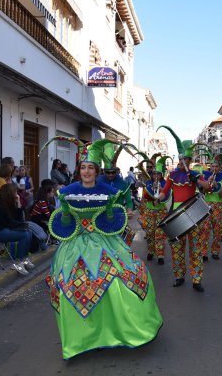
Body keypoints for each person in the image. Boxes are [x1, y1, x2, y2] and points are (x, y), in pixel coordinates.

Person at [41, 137, 162, 359]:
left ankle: (121, 331)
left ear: (97, 170)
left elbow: (112, 222)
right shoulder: (66, 192)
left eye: (91, 168)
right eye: (83, 167)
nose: (87, 171)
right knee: (70, 284)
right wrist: (66, 212)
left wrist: (114, 211)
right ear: (79, 170)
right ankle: (83, 339)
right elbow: (63, 225)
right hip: (75, 245)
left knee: (123, 280)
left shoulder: (109, 191)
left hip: (106, 243)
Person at [157, 126, 211, 292]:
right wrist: (157, 197)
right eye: (180, 159)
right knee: (177, 249)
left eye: (185, 160)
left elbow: (207, 187)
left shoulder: (195, 173)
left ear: (189, 160)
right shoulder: (172, 175)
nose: (182, 162)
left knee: (195, 249)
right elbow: (164, 192)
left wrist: (196, 180)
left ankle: (196, 279)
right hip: (176, 215)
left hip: (194, 214)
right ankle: (179, 276)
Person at [0, 183, 34, 274]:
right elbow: (9, 222)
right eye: (15, 192)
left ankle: (24, 259)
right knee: (25, 235)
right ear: (10, 193)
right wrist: (22, 225)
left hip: (4, 227)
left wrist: (18, 205)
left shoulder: (8, 203)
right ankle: (19, 261)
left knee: (29, 232)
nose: (17, 194)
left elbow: (17, 220)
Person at [137, 157, 170, 266]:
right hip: (149, 210)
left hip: (161, 211)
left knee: (160, 234)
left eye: (158, 174)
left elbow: (167, 196)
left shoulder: (166, 184)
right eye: (154, 174)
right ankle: (151, 251)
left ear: (162, 174)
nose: (156, 176)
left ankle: (160, 255)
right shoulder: (147, 183)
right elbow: (145, 197)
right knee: (150, 233)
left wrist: (160, 189)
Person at [203, 154, 222, 260]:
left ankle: (215, 251)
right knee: (205, 230)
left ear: (220, 167)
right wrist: (207, 184)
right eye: (212, 166)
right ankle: (204, 253)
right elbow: (204, 191)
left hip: (219, 205)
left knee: (217, 230)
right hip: (207, 204)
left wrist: (216, 186)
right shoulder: (205, 176)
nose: (214, 168)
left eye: (216, 167)